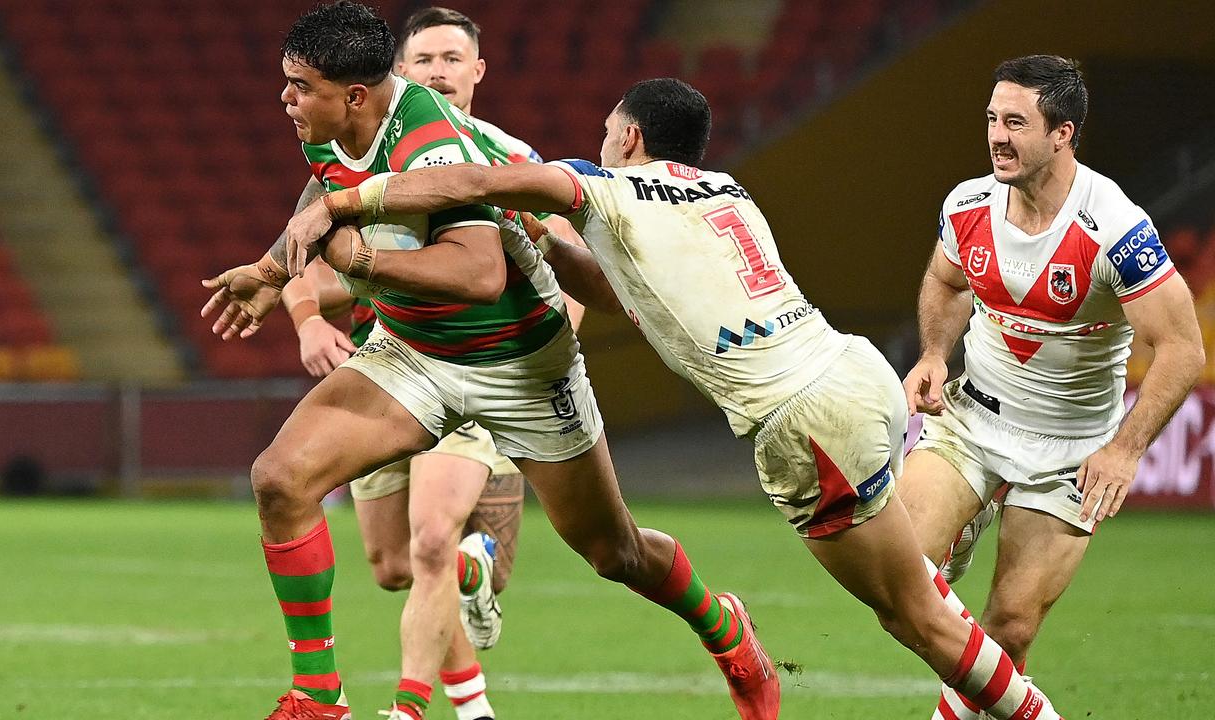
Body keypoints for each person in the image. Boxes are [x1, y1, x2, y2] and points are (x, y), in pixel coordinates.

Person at [281, 76, 1074, 720]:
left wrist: (344, 204)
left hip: (804, 421)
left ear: (628, 140)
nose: (596, 145)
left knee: (917, 619)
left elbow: (485, 177)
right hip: (849, 373)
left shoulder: (610, 190)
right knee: (918, 592)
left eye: (604, 132)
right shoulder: (724, 189)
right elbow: (618, 286)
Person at [200, 4, 778, 719]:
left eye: (298, 85)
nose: (285, 98)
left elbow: (479, 274)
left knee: (615, 553)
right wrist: (271, 271)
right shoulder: (332, 120)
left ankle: (724, 626)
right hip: (414, 353)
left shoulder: (439, 147)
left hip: (520, 365)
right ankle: (320, 699)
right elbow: (327, 189)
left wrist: (357, 260)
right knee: (281, 481)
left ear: (355, 94)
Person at [277, 9, 587, 718]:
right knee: (393, 566)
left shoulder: (502, 155)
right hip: (392, 358)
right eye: (424, 60)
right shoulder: (352, 141)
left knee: (431, 539)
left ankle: (419, 708)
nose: (438, 71)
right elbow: (307, 247)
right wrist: (304, 317)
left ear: (478, 72)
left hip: (484, 362)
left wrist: (549, 359)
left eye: (454, 58)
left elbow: (562, 261)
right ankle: (470, 610)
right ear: (393, 77)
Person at [896, 55, 1204, 719]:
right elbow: (946, 283)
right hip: (971, 423)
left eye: (1015, 122)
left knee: (1009, 630)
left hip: (1069, 450)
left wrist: (1124, 451)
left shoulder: (1115, 227)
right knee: (895, 575)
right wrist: (932, 354)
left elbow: (1182, 348)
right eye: (991, 120)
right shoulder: (969, 204)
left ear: (1063, 134)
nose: (996, 137)